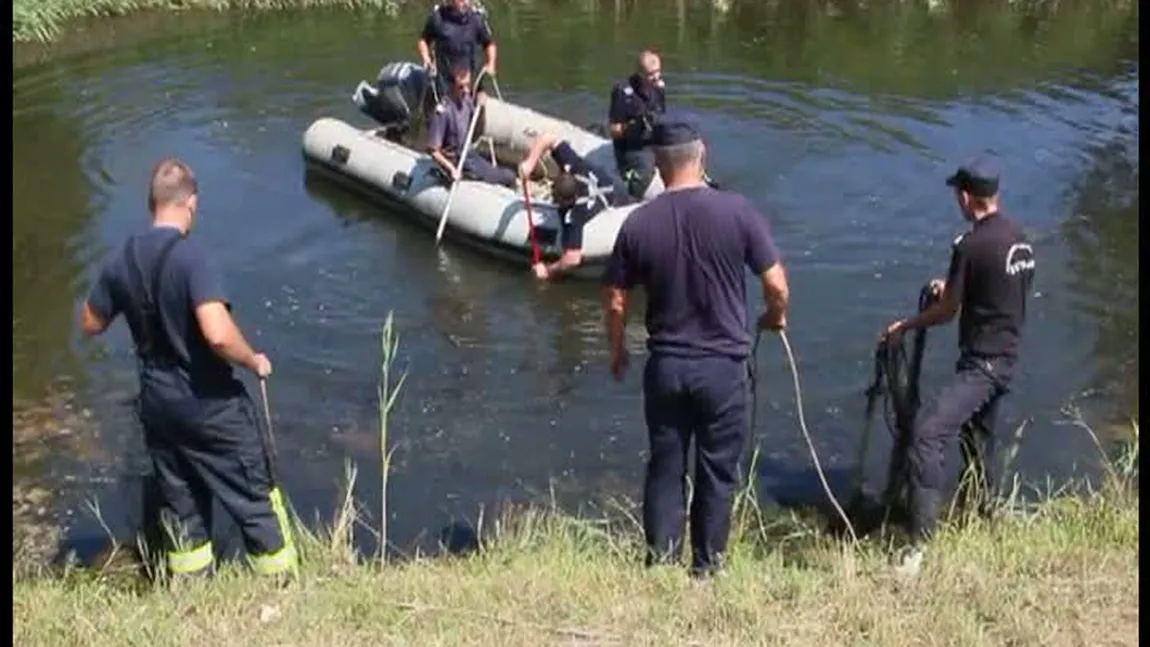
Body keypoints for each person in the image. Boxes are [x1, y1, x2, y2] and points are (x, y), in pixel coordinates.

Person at [78, 158, 298, 579]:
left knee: (181, 504)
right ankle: (281, 587)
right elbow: (216, 334)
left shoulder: (121, 259)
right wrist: (253, 360)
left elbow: (90, 322)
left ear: (151, 203)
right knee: (254, 497)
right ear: (191, 203)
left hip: (158, 404)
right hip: (209, 404)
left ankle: (193, 589)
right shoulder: (193, 257)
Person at [601, 114, 790, 578]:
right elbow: (777, 284)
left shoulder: (638, 223)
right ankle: (707, 568)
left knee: (665, 465)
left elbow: (615, 299)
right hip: (723, 368)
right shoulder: (738, 211)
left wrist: (617, 348)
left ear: (658, 165)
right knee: (717, 470)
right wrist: (775, 317)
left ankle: (661, 563)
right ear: (702, 153)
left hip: (666, 366)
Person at [882, 154, 1036, 574]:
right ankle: (984, 516)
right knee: (976, 440)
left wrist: (905, 325)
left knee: (927, 438)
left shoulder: (970, 245)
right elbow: (999, 289)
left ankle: (919, 547)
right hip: (1008, 358)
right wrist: (952, 285)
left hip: (982, 366)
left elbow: (948, 311)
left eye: (957, 194)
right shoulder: (1019, 238)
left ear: (967, 197)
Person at [517, 131, 632, 280]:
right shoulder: (576, 165)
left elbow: (572, 259)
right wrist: (530, 163)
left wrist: (547, 271)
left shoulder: (573, 216)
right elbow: (549, 137)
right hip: (615, 189)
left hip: (616, 202)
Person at [426, 64, 517, 190]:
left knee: (507, 173)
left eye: (468, 85)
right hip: (455, 161)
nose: (466, 90)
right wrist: (451, 169)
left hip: (469, 156)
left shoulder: (467, 101)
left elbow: (477, 132)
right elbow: (433, 150)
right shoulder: (443, 111)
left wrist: (482, 109)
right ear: (451, 86)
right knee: (509, 177)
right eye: (461, 87)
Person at [608, 49, 667, 200]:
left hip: (652, 138)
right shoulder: (623, 92)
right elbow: (613, 130)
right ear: (640, 74)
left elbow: (662, 115)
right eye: (651, 74)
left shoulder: (659, 88)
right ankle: (633, 192)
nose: (656, 77)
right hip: (632, 146)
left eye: (658, 72)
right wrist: (631, 127)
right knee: (645, 174)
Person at [417, 0, 498, 109]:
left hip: (471, 81)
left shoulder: (476, 20)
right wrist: (426, 58)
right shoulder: (438, 17)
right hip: (445, 82)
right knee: (443, 112)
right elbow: (423, 40)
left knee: (478, 109)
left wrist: (491, 64)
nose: (464, 2)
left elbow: (489, 44)